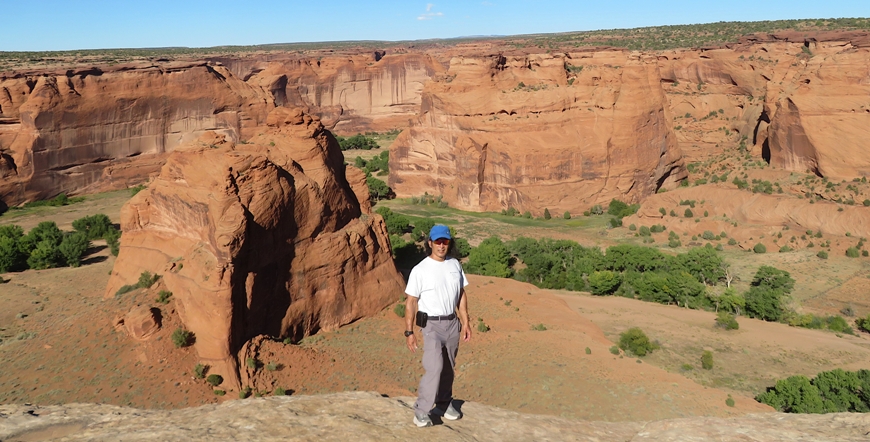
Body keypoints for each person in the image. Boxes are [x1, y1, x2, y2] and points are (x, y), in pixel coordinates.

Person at [404, 224, 471, 427]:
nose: (442, 245)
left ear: (449, 243)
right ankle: (421, 411)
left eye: (445, 241)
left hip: (452, 323)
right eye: (438, 241)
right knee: (435, 368)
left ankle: (443, 403)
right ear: (430, 243)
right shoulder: (420, 269)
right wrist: (409, 331)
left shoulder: (454, 265)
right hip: (431, 325)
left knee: (449, 368)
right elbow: (411, 301)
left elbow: (460, 294)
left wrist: (466, 321)